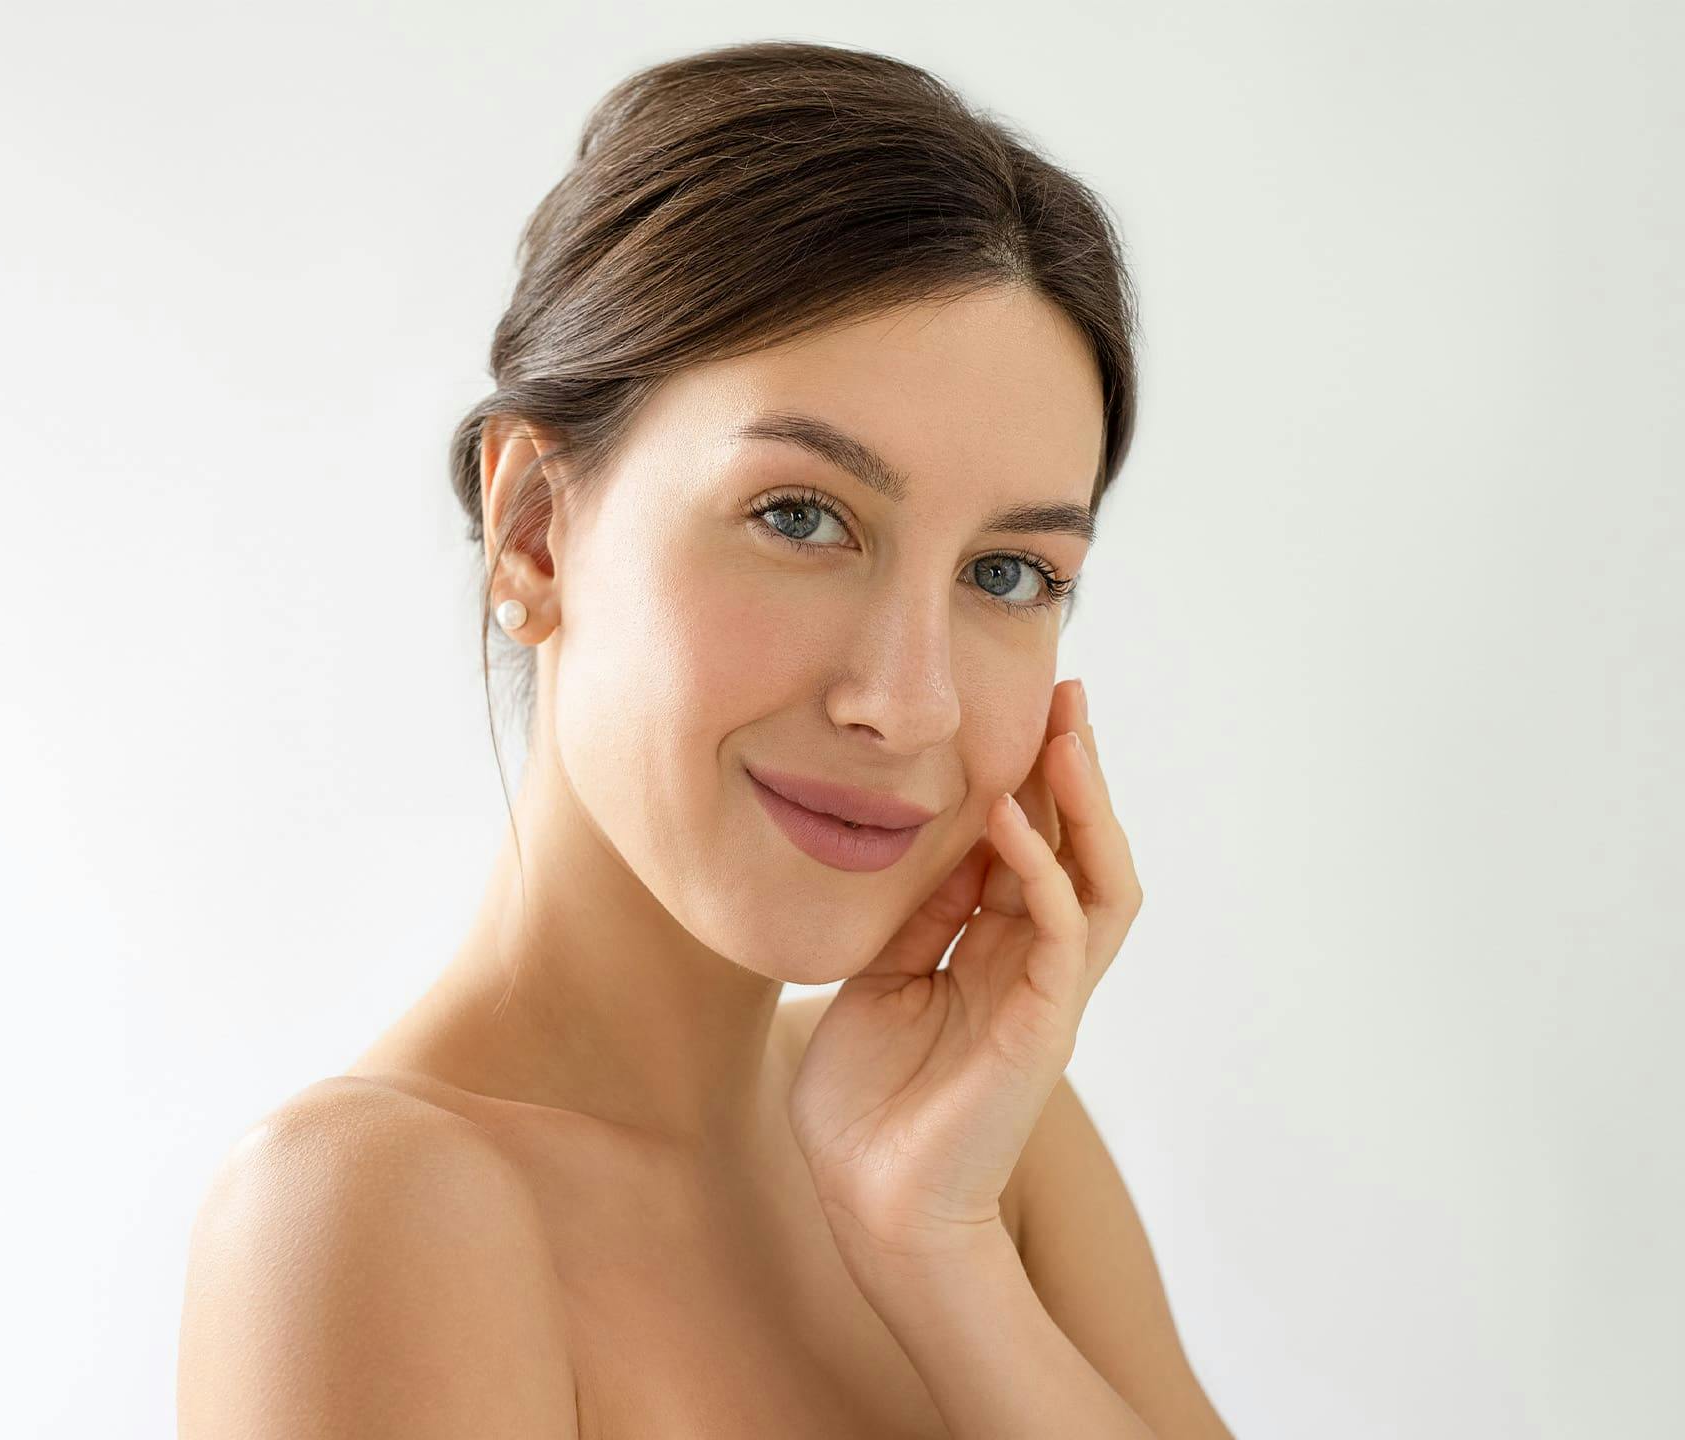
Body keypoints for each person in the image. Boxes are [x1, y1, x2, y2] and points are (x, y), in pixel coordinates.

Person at [178, 38, 1236, 1440]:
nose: (906, 702)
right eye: (800, 517)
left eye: (1007, 574)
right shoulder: (369, 1209)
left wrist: (938, 1253)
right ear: (536, 530)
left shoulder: (988, 1145)